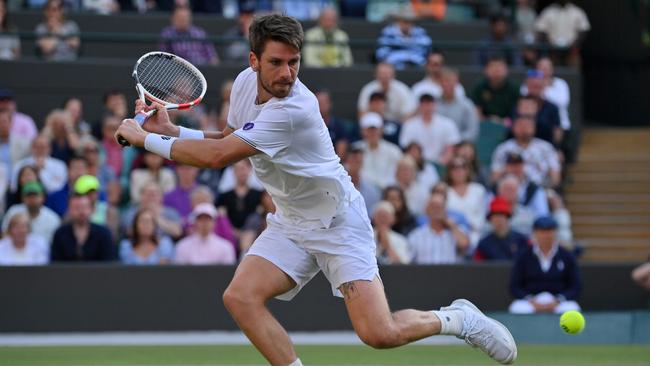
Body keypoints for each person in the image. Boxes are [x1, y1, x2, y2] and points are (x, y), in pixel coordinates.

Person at [115, 14, 517, 365]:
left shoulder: (294, 109)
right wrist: (173, 131)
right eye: (276, 63)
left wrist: (141, 138)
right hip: (292, 221)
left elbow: (219, 156)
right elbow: (228, 136)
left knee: (380, 334)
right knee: (240, 297)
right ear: (253, 61)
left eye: (294, 63)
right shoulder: (242, 85)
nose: (287, 74)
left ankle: (458, 319)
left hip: (338, 222)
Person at [509, 215, 581, 314]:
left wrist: (558, 300)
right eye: (542, 231)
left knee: (572, 308)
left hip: (558, 301)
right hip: (531, 301)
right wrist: (531, 300)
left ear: (555, 232)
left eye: (550, 230)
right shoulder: (523, 256)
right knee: (517, 308)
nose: (546, 235)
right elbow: (515, 286)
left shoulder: (567, 256)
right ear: (535, 233)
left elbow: (576, 285)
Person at [491, 113, 561, 188]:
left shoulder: (546, 147)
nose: (524, 128)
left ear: (534, 128)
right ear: (513, 128)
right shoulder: (503, 148)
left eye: (528, 125)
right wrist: (509, 170)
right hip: (511, 189)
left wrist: (550, 188)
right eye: (520, 125)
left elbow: (555, 176)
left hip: (540, 188)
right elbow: (494, 178)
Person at [407, 192, 470, 264]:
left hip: (450, 273)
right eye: (433, 207)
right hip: (424, 274)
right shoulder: (415, 235)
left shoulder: (455, 231)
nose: (436, 210)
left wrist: (452, 226)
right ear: (426, 210)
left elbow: (464, 245)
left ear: (446, 209)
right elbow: (408, 261)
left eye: (440, 207)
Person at [399, 94, 460, 165]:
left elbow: (450, 149)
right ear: (420, 106)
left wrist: (440, 165)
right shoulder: (409, 125)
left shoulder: (448, 124)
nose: (427, 108)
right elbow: (407, 148)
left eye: (429, 104)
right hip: (416, 164)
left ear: (435, 105)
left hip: (440, 164)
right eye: (424, 104)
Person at [50, 194, 115, 261]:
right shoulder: (60, 234)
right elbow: (55, 264)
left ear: (92, 209)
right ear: (69, 210)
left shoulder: (103, 234)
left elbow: (109, 262)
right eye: (77, 207)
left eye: (84, 207)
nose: (81, 211)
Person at [353, 112, 403, 189]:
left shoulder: (394, 151)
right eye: (369, 130)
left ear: (381, 130)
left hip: (388, 192)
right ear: (362, 131)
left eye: (375, 129)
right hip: (363, 192)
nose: (373, 133)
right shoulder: (355, 149)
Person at [444, 156, 487, 246]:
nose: (458, 170)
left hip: (477, 235)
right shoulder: (444, 191)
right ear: (449, 172)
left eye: (463, 166)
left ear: (468, 170)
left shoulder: (479, 190)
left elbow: (482, 216)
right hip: (451, 236)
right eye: (454, 167)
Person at [534, 0, 590, 66]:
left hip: (572, 50)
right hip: (553, 50)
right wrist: (549, 43)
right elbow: (540, 30)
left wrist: (574, 44)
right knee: (551, 70)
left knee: (573, 72)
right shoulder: (548, 11)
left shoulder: (577, 11)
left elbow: (584, 30)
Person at [474, 196, 530, 262]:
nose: (498, 220)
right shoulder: (484, 244)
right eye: (495, 216)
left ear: (507, 218)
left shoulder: (522, 240)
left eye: (501, 216)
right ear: (490, 220)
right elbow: (478, 267)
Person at [470, 56, 520, 123]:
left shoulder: (514, 88)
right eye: (493, 67)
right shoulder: (479, 87)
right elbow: (476, 111)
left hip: (509, 125)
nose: (497, 71)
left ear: (507, 70)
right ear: (486, 70)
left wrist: (504, 121)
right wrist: (488, 120)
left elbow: (518, 112)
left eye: (500, 67)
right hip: (485, 124)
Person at [436, 68, 479, 143]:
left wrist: (454, 140)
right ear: (439, 83)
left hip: (459, 146)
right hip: (436, 144)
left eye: (450, 81)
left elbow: (472, 132)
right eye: (445, 81)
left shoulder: (467, 105)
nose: (447, 84)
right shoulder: (433, 105)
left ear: (457, 83)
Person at [316, 89, 357, 159]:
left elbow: (341, 153)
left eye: (323, 103)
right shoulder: (306, 125)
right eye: (318, 103)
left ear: (330, 104)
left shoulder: (338, 126)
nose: (321, 106)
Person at [344, 146, 381, 216]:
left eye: (358, 161)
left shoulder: (372, 192)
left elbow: (371, 217)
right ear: (347, 161)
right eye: (353, 160)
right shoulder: (337, 185)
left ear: (362, 163)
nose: (355, 164)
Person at [373, 201, 410, 265]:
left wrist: (387, 246)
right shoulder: (366, 237)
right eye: (380, 216)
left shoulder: (400, 240)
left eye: (386, 216)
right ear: (374, 218)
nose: (382, 219)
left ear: (393, 219)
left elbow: (403, 266)